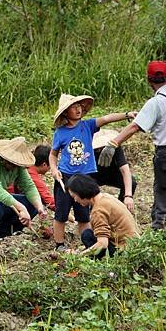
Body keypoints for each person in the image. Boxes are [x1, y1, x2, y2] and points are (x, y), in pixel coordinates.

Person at [98, 61, 166, 229]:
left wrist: (113, 143)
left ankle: (161, 245)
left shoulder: (155, 102)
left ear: (149, 81)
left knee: (163, 205)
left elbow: (135, 126)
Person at [49, 94, 137, 251]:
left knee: (83, 214)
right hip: (65, 176)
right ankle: (59, 245)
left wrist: (126, 115)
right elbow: (53, 154)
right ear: (65, 113)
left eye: (79, 107)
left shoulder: (87, 126)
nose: (77, 110)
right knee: (61, 213)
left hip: (84, 177)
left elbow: (106, 118)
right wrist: (54, 170)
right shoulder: (60, 133)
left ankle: (88, 244)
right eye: (73, 107)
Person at [66, 175, 139, 259]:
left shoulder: (98, 210)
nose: (75, 200)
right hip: (134, 244)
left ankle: (97, 260)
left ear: (81, 192)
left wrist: (79, 256)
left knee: (87, 235)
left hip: (124, 251)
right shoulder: (105, 197)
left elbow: (103, 244)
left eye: (74, 196)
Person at [92, 129, 138, 212]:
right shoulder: (87, 150)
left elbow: (125, 170)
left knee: (132, 182)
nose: (98, 149)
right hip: (93, 175)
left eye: (101, 147)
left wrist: (128, 196)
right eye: (96, 148)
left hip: (112, 174)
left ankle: (121, 209)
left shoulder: (115, 148)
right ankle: (92, 212)